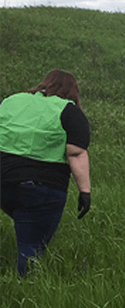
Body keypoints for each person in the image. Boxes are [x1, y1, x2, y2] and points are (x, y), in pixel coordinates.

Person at [0, 70, 91, 277]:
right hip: (39, 188)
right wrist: (84, 192)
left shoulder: (12, 101)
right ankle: (25, 290)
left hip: (2, 181)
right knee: (31, 246)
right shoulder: (69, 111)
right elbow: (76, 153)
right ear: (73, 92)